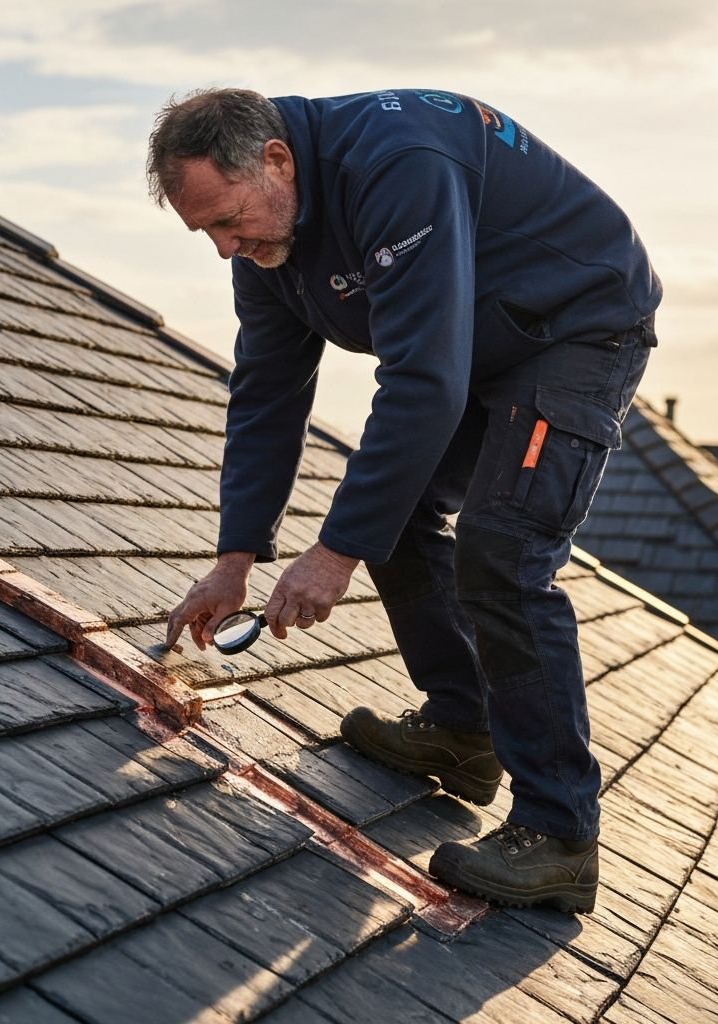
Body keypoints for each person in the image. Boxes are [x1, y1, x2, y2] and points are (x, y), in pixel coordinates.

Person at [150, 87, 660, 914]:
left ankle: (560, 834)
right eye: (205, 231)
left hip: (576, 329)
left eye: (228, 220)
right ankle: (463, 730)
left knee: (504, 549)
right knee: (387, 511)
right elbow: (268, 393)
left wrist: (332, 551)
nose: (223, 249)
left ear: (277, 161)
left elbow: (423, 379)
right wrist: (234, 559)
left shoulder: (397, 162)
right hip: (476, 346)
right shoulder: (265, 248)